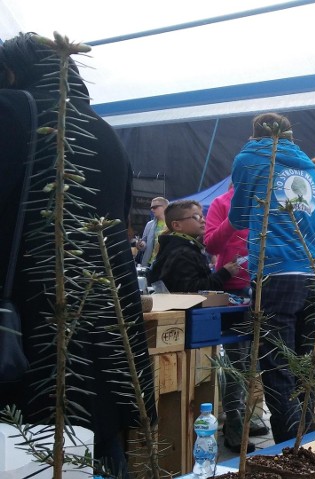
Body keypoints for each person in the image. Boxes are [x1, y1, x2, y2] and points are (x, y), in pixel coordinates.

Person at [0, 32, 155, 477]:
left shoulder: (12, 114)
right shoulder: (106, 132)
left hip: (30, 334)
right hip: (107, 335)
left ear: (11, 71)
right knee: (99, 447)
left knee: (29, 446)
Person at [229, 113, 315, 443]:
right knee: (307, 361)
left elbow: (239, 215)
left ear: (254, 134)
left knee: (277, 366)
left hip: (276, 269)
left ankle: (291, 450)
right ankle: (311, 441)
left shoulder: (250, 157)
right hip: (314, 269)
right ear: (290, 135)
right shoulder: (307, 165)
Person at [204, 185, 268, 453]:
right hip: (233, 289)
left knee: (256, 359)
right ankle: (235, 422)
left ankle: (246, 416)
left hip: (265, 284)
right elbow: (211, 244)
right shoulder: (222, 202)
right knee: (237, 360)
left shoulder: (268, 199)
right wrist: (233, 220)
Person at [147, 200, 239, 292]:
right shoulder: (182, 252)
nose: (203, 220)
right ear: (177, 225)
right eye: (196, 217)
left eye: (202, 216)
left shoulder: (180, 247)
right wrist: (225, 273)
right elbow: (193, 290)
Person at [137, 196, 169, 267]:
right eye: (151, 208)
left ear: (165, 207)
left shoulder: (172, 223)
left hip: (166, 264)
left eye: (155, 207)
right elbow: (144, 241)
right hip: (150, 263)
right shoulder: (149, 224)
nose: (152, 210)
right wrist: (141, 244)